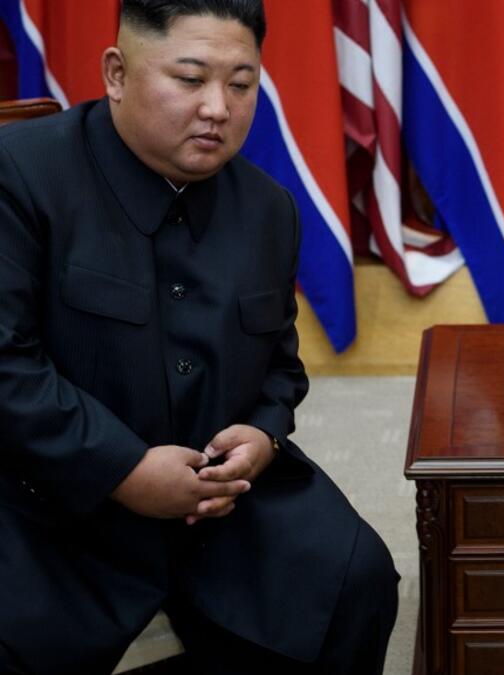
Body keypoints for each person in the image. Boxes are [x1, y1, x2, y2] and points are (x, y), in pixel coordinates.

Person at [0, 1, 398, 673]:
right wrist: (122, 468)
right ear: (118, 73)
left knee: (353, 577)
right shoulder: (22, 172)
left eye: (241, 84)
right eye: (190, 79)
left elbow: (281, 368)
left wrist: (263, 436)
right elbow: (7, 364)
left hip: (219, 503)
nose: (218, 106)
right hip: (53, 498)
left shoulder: (268, 209)